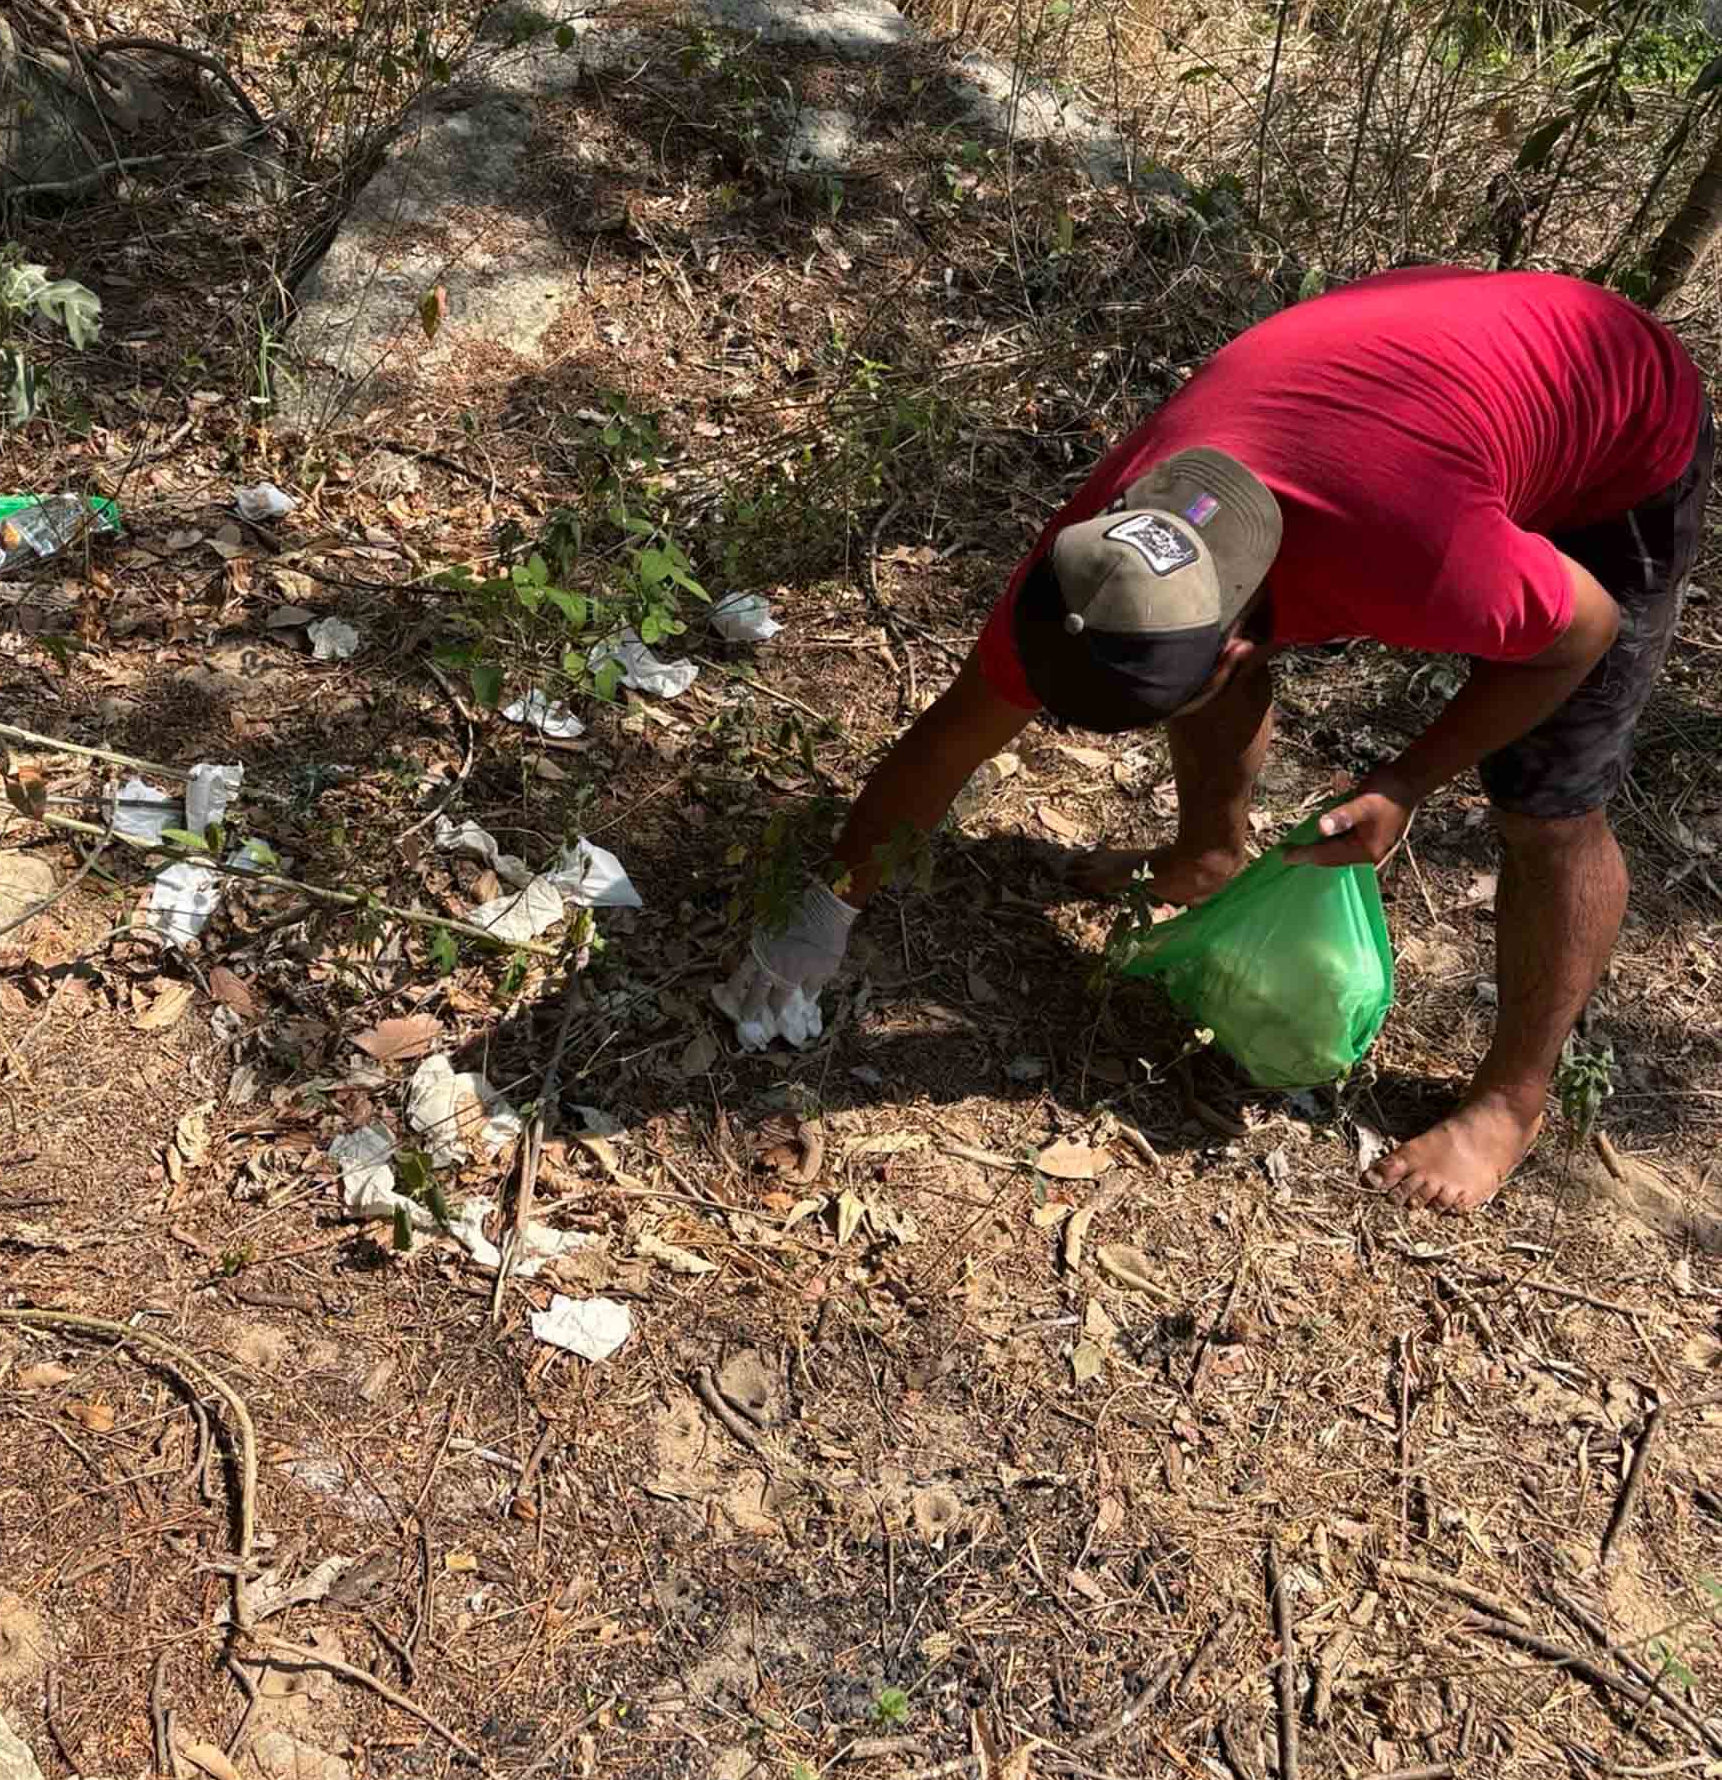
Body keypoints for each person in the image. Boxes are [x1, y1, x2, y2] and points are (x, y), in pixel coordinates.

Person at [714, 266, 1713, 1212]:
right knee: (1172, 672)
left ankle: (1512, 1100)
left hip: (1620, 436)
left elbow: (1579, 631)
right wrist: (825, 904)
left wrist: (1407, 782)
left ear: (1238, 644)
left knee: (1545, 806)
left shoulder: (1419, 554)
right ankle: (1205, 853)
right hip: (1443, 370)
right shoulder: (1090, 571)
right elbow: (950, 739)